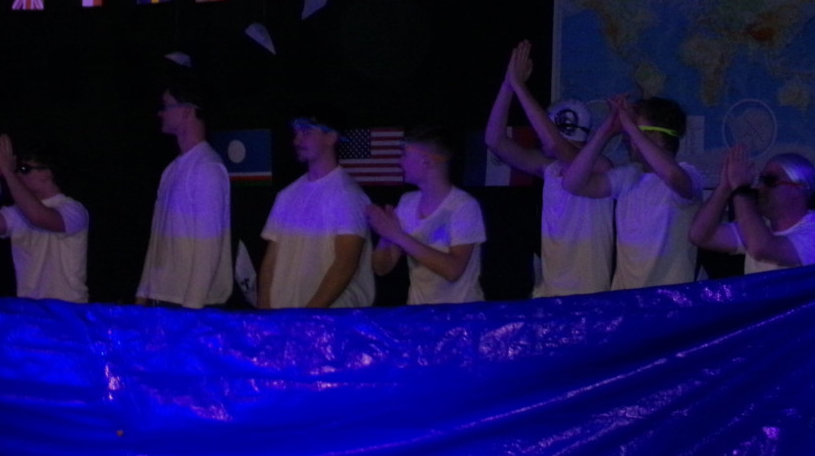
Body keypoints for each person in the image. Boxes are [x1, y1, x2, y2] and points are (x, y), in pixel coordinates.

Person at [484, 40, 613, 296]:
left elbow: (556, 146)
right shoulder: (550, 168)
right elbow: (494, 140)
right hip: (550, 290)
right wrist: (508, 86)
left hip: (588, 292)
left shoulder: (602, 166)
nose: (539, 134)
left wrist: (520, 87)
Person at [563, 94, 703, 290]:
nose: (628, 139)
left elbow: (672, 175)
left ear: (658, 137)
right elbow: (572, 184)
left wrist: (630, 126)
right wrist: (606, 132)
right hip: (627, 299)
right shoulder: (628, 175)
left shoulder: (690, 174)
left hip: (670, 300)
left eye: (636, 131)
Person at [258, 110, 374, 309]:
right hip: (284, 317)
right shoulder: (287, 195)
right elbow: (270, 262)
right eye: (296, 133)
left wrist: (309, 315)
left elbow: (345, 265)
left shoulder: (348, 195)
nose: (297, 140)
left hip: (328, 321)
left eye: (306, 132)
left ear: (331, 137)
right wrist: (264, 311)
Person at [136, 84, 232, 309]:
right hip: (163, 301)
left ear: (188, 110)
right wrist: (142, 295)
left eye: (166, 106)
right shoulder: (170, 170)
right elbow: (156, 241)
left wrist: (191, 311)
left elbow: (208, 249)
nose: (160, 113)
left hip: (188, 307)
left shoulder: (207, 168)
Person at [369, 125, 486, 304]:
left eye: (404, 155)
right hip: (421, 313)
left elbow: (453, 270)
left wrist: (397, 235)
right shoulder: (407, 202)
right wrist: (386, 236)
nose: (400, 162)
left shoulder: (463, 206)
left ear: (426, 161)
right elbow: (381, 268)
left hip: (461, 315)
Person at [0, 135, 89, 302]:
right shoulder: (18, 212)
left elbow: (38, 216)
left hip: (66, 309)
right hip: (30, 308)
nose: (19, 174)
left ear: (48, 173)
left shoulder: (73, 210)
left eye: (25, 169)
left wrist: (8, 173)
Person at [689, 146, 815, 273]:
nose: (760, 187)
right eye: (760, 180)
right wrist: (725, 187)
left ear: (799, 188)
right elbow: (700, 236)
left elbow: (762, 248)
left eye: (770, 180)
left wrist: (741, 189)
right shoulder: (762, 227)